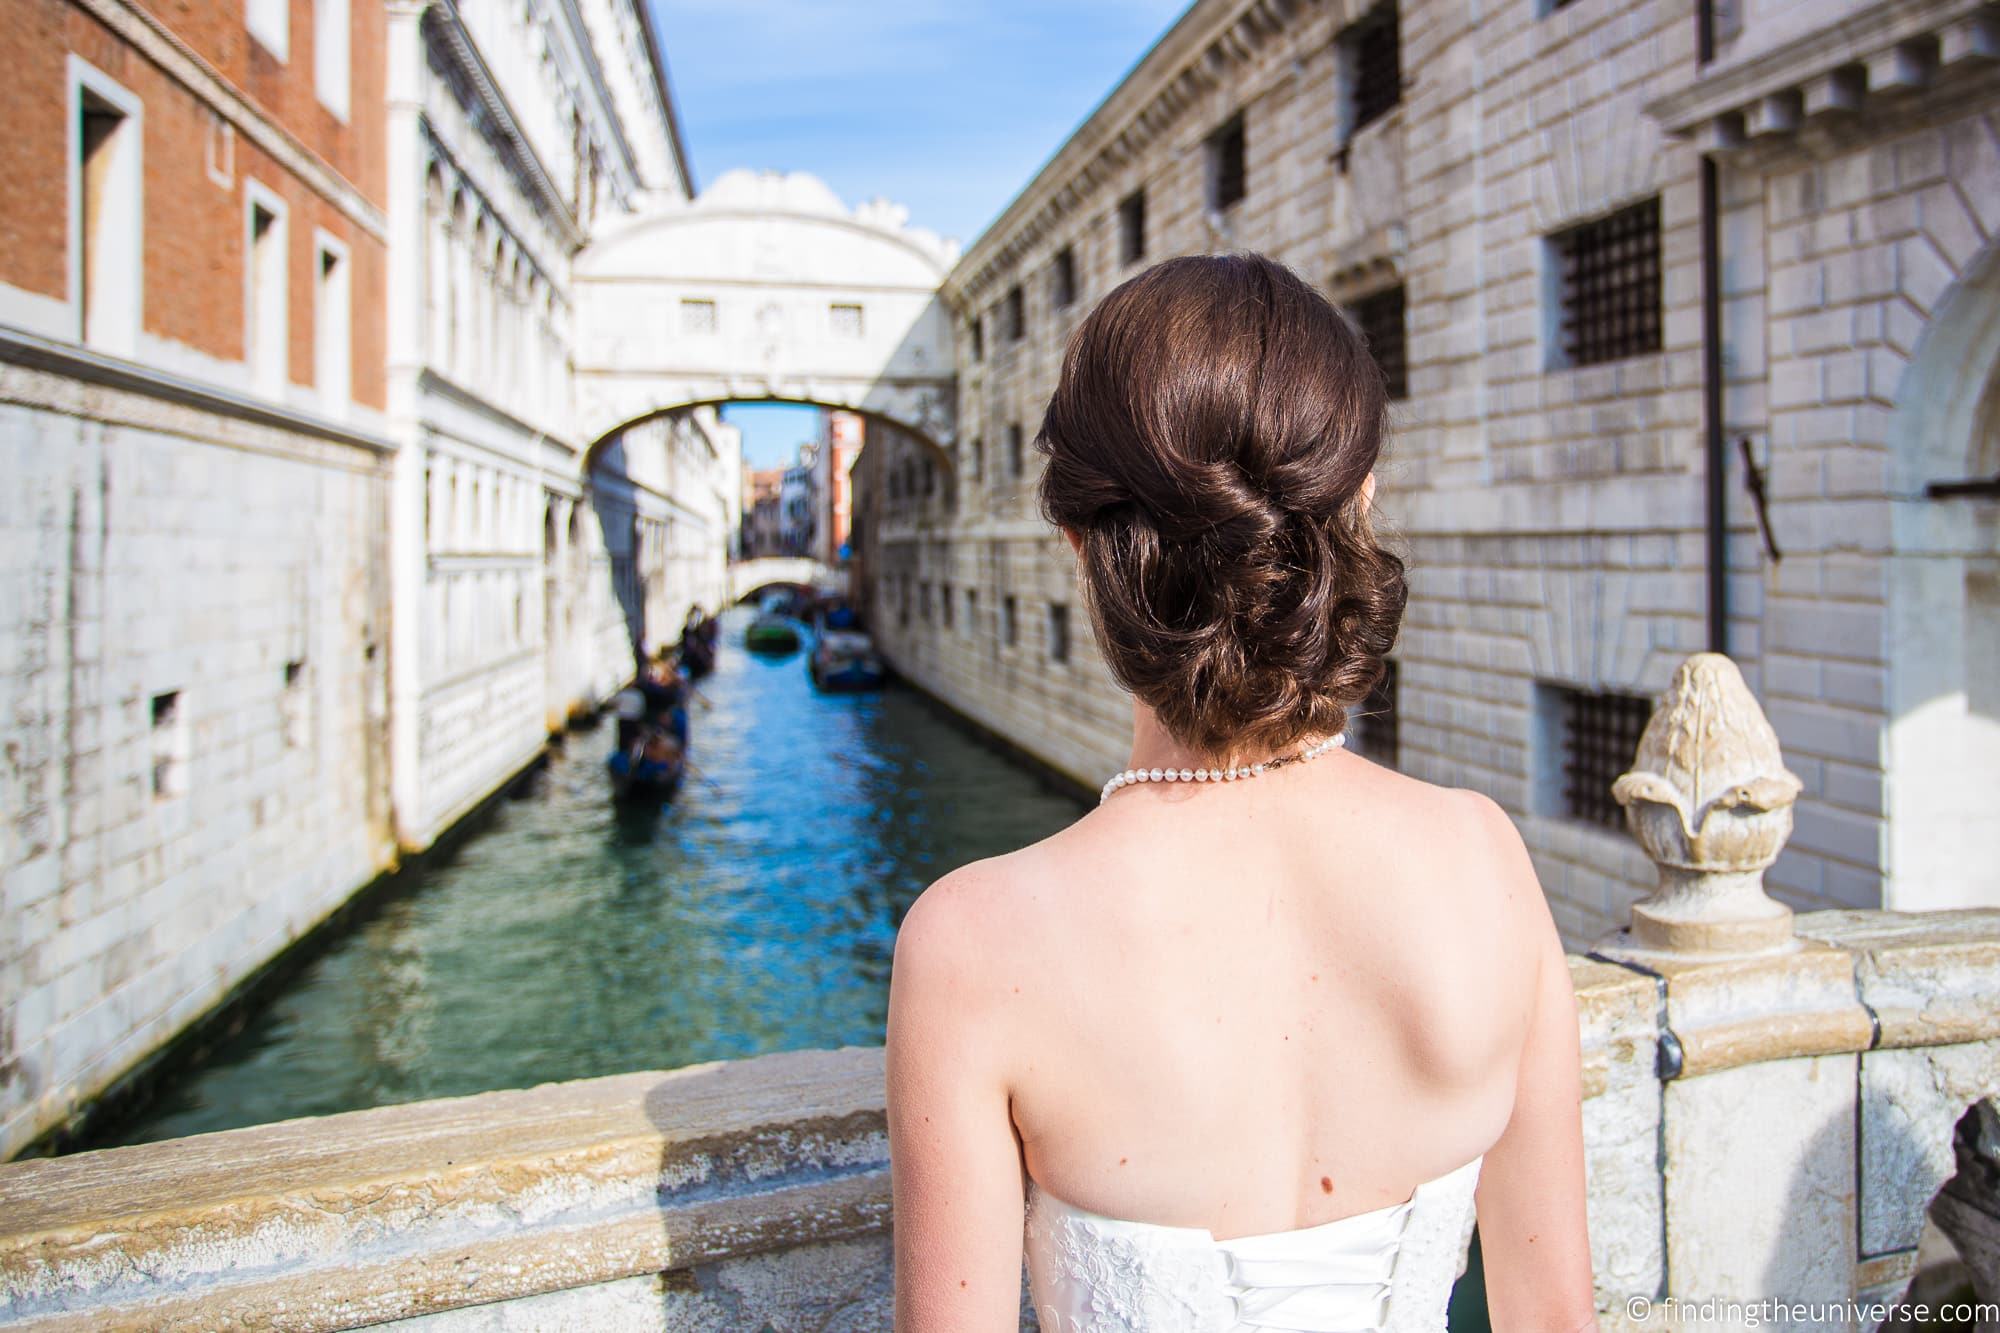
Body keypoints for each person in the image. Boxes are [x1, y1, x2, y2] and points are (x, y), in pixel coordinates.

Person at [884, 255, 1595, 1332]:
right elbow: (1554, 1318)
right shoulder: (1481, 857)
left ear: (1079, 545)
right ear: (1356, 500)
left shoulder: (969, 945)